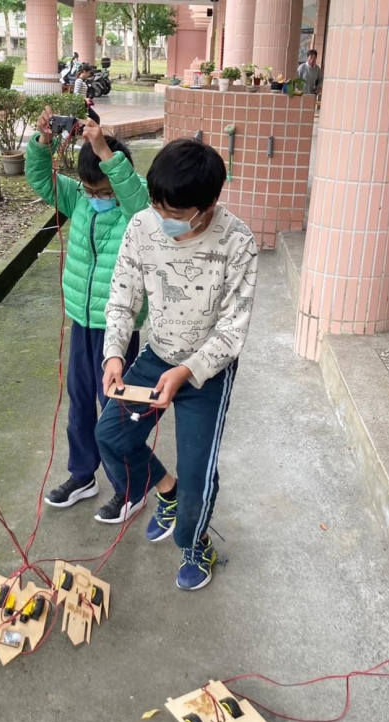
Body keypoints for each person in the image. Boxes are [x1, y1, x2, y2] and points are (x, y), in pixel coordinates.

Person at [95, 139, 258, 591]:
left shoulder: (237, 241)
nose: (163, 220)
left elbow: (233, 329)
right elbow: (122, 298)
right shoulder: (143, 227)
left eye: (176, 213)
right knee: (110, 435)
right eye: (158, 207)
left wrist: (188, 371)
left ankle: (193, 541)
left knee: (198, 470)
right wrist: (114, 353)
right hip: (156, 355)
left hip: (207, 371)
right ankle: (163, 490)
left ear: (208, 206)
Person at [25, 106, 149, 520]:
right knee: (79, 400)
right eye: (90, 191)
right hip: (82, 320)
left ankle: (130, 486)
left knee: (115, 407)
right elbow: (40, 178)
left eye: (104, 191)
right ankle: (83, 474)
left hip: (118, 327)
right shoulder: (78, 198)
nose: (96, 199)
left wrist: (103, 149)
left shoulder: (136, 207)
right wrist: (43, 141)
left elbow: (134, 195)